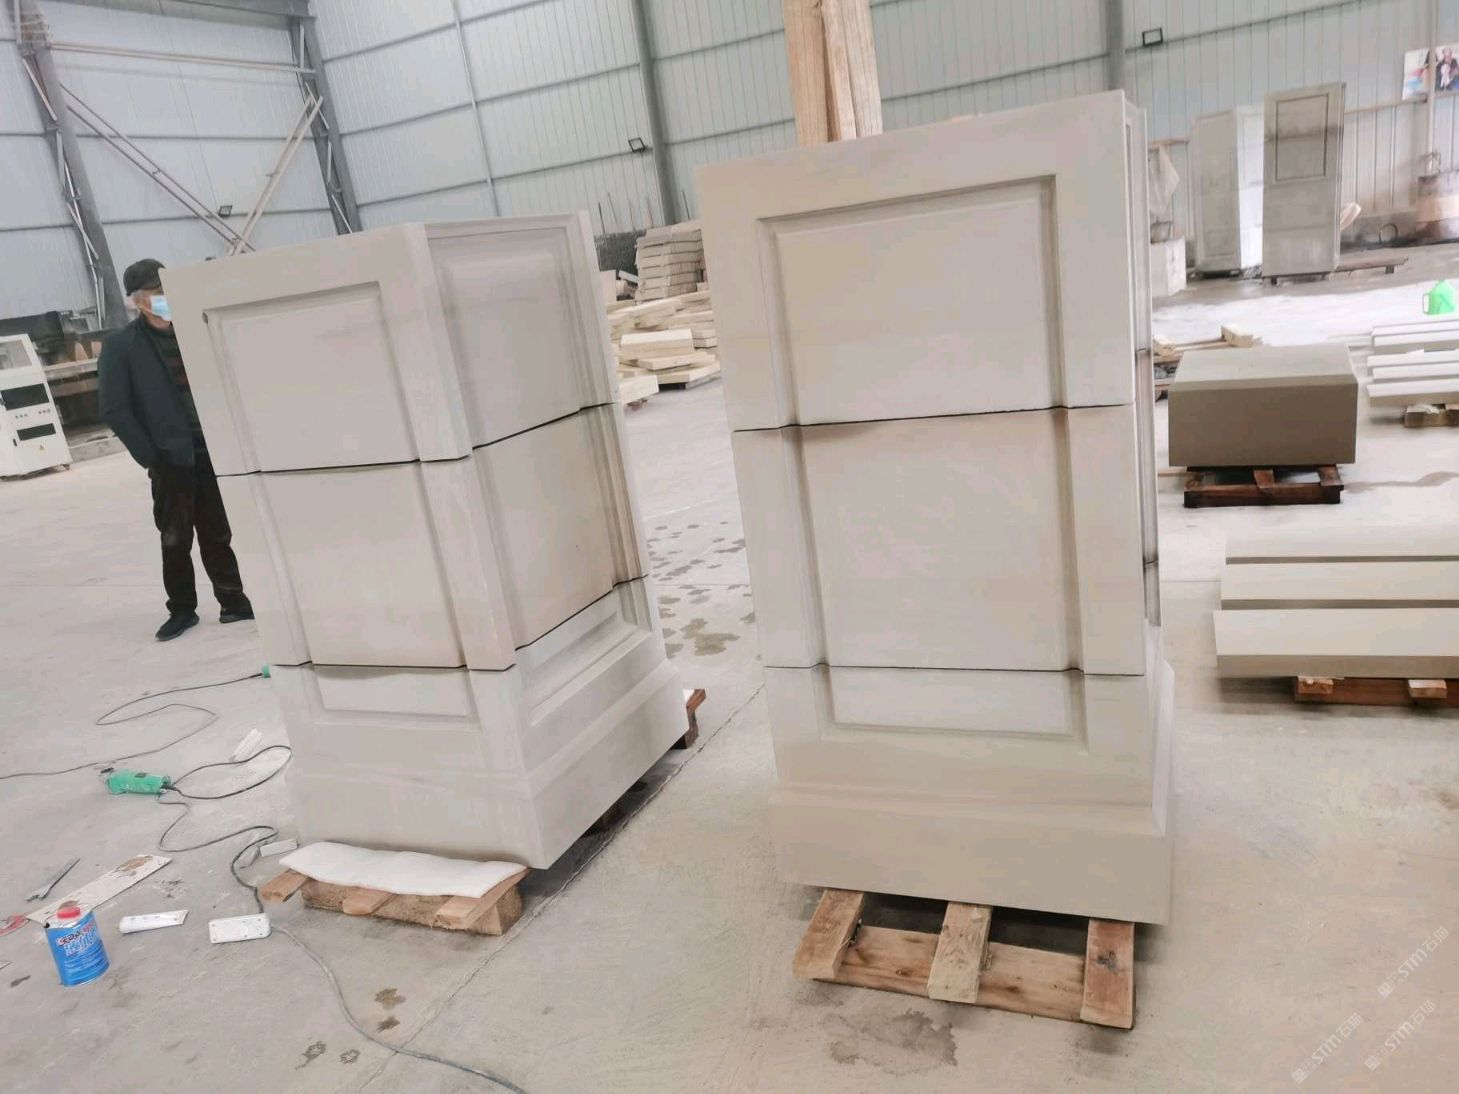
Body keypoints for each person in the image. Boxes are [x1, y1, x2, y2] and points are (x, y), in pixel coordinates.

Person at [98, 258, 253, 641]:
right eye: (155, 293)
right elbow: (115, 409)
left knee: (217, 532)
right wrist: (151, 457)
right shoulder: (122, 347)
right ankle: (182, 609)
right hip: (169, 459)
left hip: (210, 450)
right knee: (175, 538)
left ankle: (232, 601)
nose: (164, 298)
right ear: (137, 300)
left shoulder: (193, 334)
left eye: (167, 290)